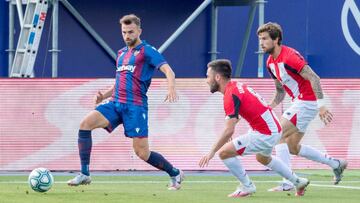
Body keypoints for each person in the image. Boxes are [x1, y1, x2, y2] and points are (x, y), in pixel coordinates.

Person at [67, 14, 184, 190]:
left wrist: (171, 87)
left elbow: (168, 70)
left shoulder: (147, 51)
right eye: (124, 32)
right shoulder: (121, 53)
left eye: (130, 32)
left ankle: (175, 173)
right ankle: (84, 174)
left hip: (135, 107)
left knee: (142, 153)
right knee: (85, 124)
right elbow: (119, 82)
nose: (127, 35)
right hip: (115, 104)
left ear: (139, 31)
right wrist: (103, 97)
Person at [257, 22, 347, 192]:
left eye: (265, 39)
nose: (261, 43)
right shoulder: (270, 62)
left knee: (277, 135)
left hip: (307, 102)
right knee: (292, 147)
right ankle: (336, 164)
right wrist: (268, 107)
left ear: (276, 40)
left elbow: (314, 78)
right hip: (298, 102)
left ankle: (289, 181)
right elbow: (280, 91)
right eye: (260, 39)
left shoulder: (289, 57)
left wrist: (321, 105)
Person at [199, 59, 309, 197]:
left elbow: (229, 130)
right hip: (272, 128)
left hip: (266, 132)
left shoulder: (230, 94)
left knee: (224, 153)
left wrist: (211, 152)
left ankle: (247, 186)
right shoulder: (235, 86)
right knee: (263, 158)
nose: (206, 80)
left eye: (208, 76)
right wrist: (231, 128)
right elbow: (240, 114)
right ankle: (298, 181)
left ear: (217, 77)